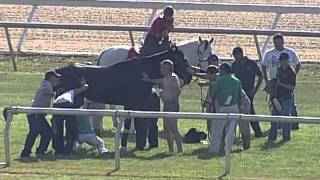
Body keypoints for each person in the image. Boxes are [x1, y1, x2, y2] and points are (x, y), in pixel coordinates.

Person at [142, 59, 183, 154]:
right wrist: (147, 79)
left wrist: (173, 99)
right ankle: (171, 150)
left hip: (172, 105)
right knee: (166, 128)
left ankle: (180, 150)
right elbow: (157, 81)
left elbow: (178, 90)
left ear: (168, 68)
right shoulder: (166, 78)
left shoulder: (173, 77)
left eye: (162, 68)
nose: (161, 70)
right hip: (166, 105)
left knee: (173, 128)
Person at [261, 33, 301, 130]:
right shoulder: (269, 53)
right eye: (275, 43)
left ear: (282, 42)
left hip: (287, 82)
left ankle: (294, 125)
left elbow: (298, 63)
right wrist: (267, 80)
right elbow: (263, 66)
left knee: (290, 103)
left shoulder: (290, 52)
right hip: (275, 82)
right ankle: (278, 125)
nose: (276, 44)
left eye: (278, 42)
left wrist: (293, 75)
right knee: (275, 103)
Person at [20, 70, 61, 158]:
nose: (57, 79)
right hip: (35, 114)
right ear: (50, 77)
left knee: (47, 132)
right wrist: (56, 93)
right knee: (36, 132)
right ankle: (27, 152)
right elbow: (45, 92)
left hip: (37, 114)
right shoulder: (46, 84)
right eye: (55, 77)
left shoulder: (47, 84)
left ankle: (39, 151)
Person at [208, 63, 242, 154]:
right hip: (234, 107)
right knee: (230, 130)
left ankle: (214, 149)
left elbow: (214, 93)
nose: (219, 72)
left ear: (224, 71)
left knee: (216, 129)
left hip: (223, 107)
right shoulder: (237, 81)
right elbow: (239, 96)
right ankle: (227, 149)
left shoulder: (220, 80)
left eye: (220, 70)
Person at [231, 47, 263, 137]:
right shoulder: (234, 65)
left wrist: (255, 89)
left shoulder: (251, 64)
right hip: (238, 92)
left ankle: (257, 132)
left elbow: (260, 76)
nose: (235, 58)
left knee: (250, 111)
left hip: (249, 92)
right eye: (234, 56)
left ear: (241, 54)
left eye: (236, 55)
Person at [52, 76, 89, 155]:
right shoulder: (71, 91)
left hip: (56, 105)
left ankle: (58, 150)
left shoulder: (60, 95)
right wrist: (84, 83)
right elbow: (84, 88)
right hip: (66, 104)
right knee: (71, 128)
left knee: (58, 129)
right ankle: (68, 150)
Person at [268, 53, 296, 142]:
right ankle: (272, 137)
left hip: (287, 97)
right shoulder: (279, 69)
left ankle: (286, 137)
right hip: (277, 96)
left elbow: (292, 87)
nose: (282, 62)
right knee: (274, 116)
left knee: (286, 117)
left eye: (283, 60)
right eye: (281, 60)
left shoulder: (291, 72)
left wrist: (281, 84)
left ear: (287, 60)